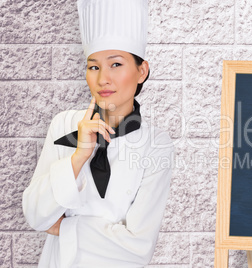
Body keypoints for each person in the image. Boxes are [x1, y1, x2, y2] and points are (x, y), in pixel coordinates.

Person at [22, 0, 174, 267]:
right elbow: (36, 216)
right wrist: (79, 156)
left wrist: (65, 228)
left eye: (115, 64)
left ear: (141, 71)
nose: (103, 78)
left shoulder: (155, 144)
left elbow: (139, 248)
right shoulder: (63, 125)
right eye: (93, 67)